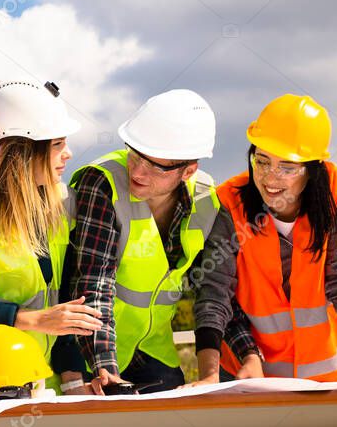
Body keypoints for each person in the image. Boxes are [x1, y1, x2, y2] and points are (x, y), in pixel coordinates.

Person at [70, 89, 260, 394]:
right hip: (89, 350)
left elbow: (215, 290)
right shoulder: (102, 182)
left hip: (154, 352)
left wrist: (249, 354)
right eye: (135, 154)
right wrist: (105, 369)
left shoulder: (207, 200)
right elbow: (95, 282)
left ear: (188, 171)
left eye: (156, 165)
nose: (138, 171)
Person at [192, 94, 337, 383]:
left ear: (313, 169)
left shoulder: (335, 192)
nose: (270, 178)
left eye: (287, 167)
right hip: (249, 377)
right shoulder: (229, 203)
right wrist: (209, 377)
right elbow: (214, 292)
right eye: (262, 161)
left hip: (327, 378)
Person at [0, 80, 101, 394]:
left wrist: (74, 381)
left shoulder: (67, 204)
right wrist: (33, 320)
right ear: (23, 151)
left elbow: (66, 305)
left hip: (43, 381)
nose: (68, 154)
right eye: (56, 145)